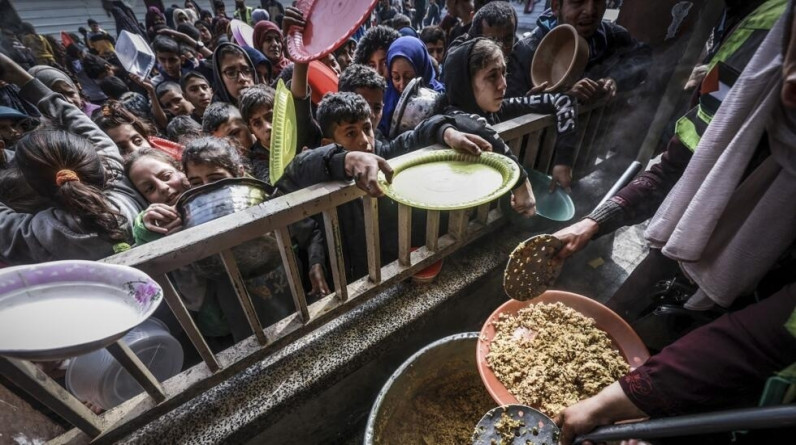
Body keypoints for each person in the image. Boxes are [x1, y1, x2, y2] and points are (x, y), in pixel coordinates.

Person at [0, 52, 146, 264]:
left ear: (32, 188)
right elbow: (92, 134)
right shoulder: (118, 181)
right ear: (93, 159)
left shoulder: (33, 236)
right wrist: (22, 78)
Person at [441, 37, 578, 194]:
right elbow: (476, 126)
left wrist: (564, 161)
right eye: (492, 76)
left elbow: (562, 99)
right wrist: (521, 182)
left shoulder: (499, 109)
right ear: (464, 84)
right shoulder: (452, 118)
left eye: (503, 73)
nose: (503, 84)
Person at [506, 0, 649, 102]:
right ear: (556, 6)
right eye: (578, 2)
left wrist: (616, 79)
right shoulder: (527, 51)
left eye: (598, 1)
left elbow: (643, 58)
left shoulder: (614, 36)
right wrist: (559, 99)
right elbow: (506, 108)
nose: (590, 10)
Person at [380, 36, 445, 136]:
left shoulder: (440, 96)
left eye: (408, 77)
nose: (402, 85)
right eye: (396, 77)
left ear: (421, 69)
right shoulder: (383, 100)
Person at [94, 100, 183, 159]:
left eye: (137, 141)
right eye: (122, 149)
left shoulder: (181, 157)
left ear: (146, 137)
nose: (136, 151)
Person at [28, 65, 100, 116]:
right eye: (58, 98)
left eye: (70, 93)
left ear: (76, 89)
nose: (69, 101)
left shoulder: (98, 114)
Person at [339, 64, 387, 139]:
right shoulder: (330, 146)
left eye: (377, 108)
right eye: (363, 106)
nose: (372, 115)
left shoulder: (379, 139)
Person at [211, 42, 257, 106]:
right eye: (231, 73)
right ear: (220, 79)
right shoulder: (216, 115)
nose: (242, 78)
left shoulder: (270, 105)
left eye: (246, 70)